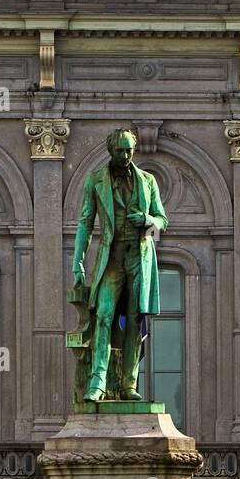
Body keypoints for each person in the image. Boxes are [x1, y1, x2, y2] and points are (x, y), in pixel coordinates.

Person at [72, 128, 168, 402]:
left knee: (135, 320)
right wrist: (77, 262)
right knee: (103, 314)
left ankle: (128, 383)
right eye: (120, 150)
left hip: (139, 256)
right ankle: (98, 381)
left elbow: (163, 219)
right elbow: (85, 223)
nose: (125, 155)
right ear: (110, 150)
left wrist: (149, 220)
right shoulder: (96, 181)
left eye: (129, 150)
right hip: (112, 256)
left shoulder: (148, 181)